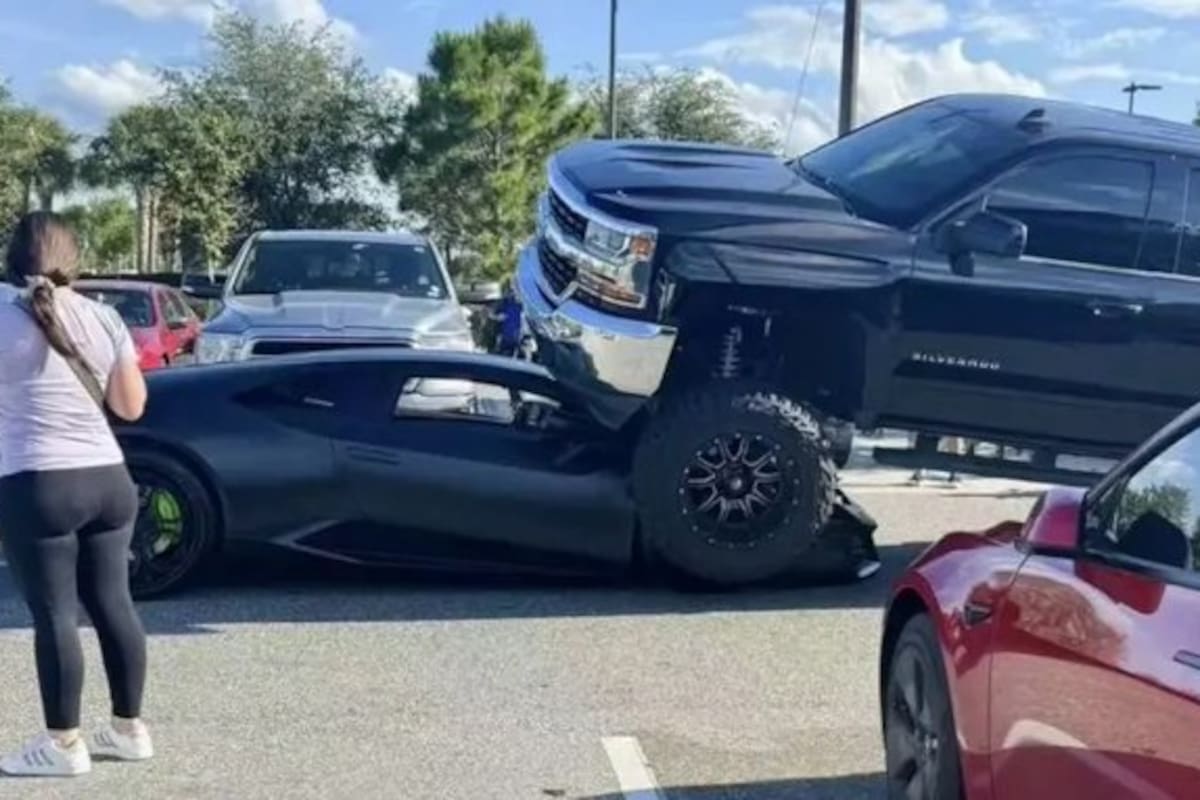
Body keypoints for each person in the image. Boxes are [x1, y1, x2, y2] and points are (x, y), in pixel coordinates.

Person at [0, 212, 153, 777]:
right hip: (109, 481)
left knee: (56, 615)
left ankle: (63, 745)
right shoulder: (103, 316)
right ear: (74, 261)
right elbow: (130, 407)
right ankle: (129, 730)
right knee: (114, 603)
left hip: (37, 482)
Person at [492, 281, 524, 357]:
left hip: (517, 336)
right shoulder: (505, 302)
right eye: (511, 290)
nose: (512, 292)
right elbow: (492, 314)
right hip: (506, 335)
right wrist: (498, 317)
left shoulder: (521, 303)